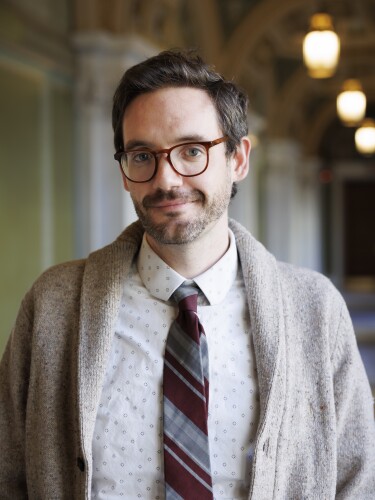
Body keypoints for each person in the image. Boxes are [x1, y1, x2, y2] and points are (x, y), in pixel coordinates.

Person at [0, 49, 374, 499]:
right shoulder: (53, 305)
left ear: (238, 158)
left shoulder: (315, 309)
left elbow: (358, 481)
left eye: (192, 151)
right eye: (142, 155)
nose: (167, 180)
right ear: (123, 170)